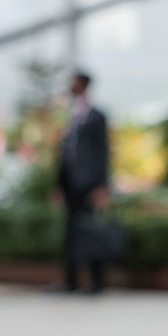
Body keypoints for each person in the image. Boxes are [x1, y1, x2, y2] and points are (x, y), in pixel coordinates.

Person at [54, 70, 110, 293]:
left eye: (74, 81)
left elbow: (103, 152)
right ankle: (71, 281)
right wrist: (59, 184)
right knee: (71, 235)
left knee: (91, 231)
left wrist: (101, 185)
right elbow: (64, 154)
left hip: (89, 185)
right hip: (71, 186)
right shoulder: (70, 114)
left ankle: (96, 282)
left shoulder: (96, 115)